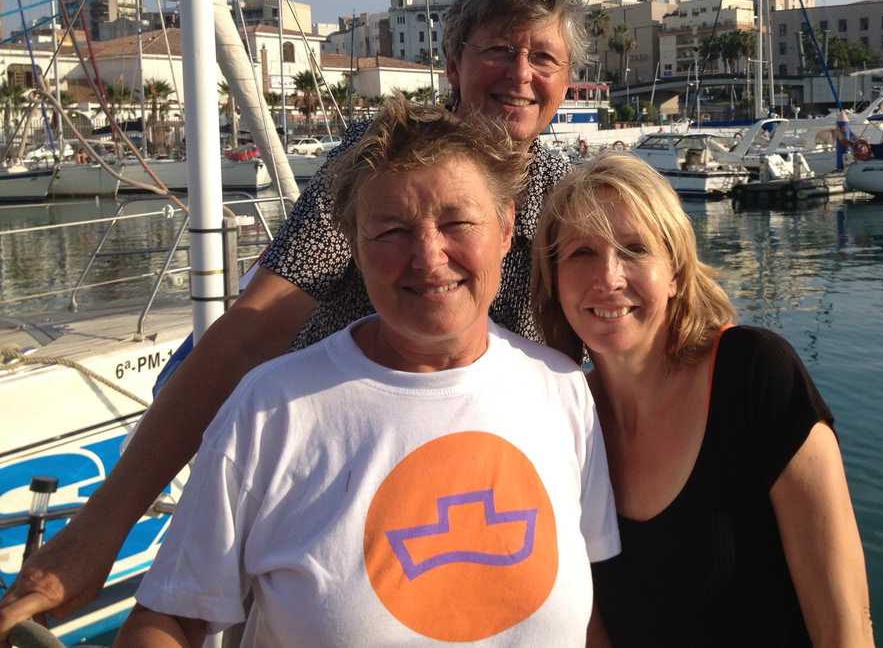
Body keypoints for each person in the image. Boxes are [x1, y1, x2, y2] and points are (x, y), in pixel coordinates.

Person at [0, 0, 587, 636]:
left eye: (543, 57)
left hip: (486, 495)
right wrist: (100, 530)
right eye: (499, 51)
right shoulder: (385, 167)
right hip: (335, 489)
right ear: (454, 64)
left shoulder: (564, 194)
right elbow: (252, 332)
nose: (520, 75)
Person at [114, 98, 618, 647]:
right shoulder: (272, 410)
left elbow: (588, 616)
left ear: (505, 228)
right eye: (392, 231)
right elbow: (171, 618)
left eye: (457, 222)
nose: (428, 257)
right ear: (354, 245)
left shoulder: (561, 389)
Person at [531, 154, 874, 647]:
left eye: (634, 249)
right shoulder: (563, 422)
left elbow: (846, 627)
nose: (608, 277)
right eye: (582, 252)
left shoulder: (755, 375)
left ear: (674, 271)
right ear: (555, 279)